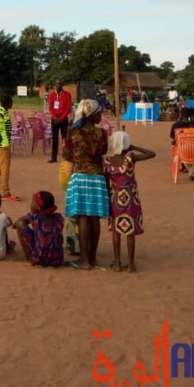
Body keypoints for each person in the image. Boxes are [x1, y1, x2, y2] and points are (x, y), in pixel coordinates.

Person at [63, 99, 108, 270]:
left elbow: (68, 155)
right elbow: (102, 152)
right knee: (95, 218)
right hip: (97, 177)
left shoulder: (73, 132)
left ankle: (83, 259)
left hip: (80, 176)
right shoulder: (102, 133)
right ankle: (93, 256)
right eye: (99, 113)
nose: (101, 116)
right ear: (92, 114)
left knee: (82, 218)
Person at [103, 132, 154, 273]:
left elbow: (107, 183)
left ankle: (117, 263)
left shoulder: (108, 161)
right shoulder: (130, 159)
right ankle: (131, 264)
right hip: (131, 198)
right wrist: (133, 147)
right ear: (126, 145)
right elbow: (151, 153)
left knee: (116, 231)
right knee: (130, 232)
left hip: (115, 197)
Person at [12, 191, 65, 267]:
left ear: (39, 207)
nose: (31, 204)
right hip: (58, 259)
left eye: (33, 202)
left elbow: (15, 225)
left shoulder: (35, 217)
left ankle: (28, 256)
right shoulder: (59, 217)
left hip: (40, 260)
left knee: (20, 223)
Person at [46, 80, 72, 163]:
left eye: (60, 83)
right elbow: (50, 108)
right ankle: (53, 157)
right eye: (57, 83)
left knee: (65, 138)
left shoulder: (67, 95)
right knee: (55, 138)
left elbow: (68, 108)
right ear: (55, 85)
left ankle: (66, 157)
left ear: (62, 85)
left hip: (63, 119)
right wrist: (55, 118)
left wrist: (61, 118)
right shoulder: (52, 95)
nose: (59, 85)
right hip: (55, 119)